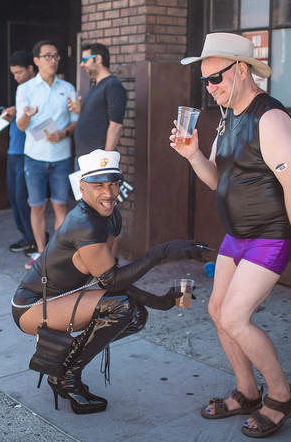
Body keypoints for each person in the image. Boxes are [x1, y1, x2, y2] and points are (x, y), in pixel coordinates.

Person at [171, 32, 291, 438]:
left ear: (241, 70)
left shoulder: (269, 117)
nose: (210, 89)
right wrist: (193, 156)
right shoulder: (228, 117)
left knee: (235, 317)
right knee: (216, 312)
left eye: (215, 79)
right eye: (204, 82)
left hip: (270, 235)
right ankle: (246, 390)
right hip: (235, 236)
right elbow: (217, 181)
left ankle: (281, 394)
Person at [12, 149, 205, 414]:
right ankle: (67, 378)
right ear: (82, 187)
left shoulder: (111, 217)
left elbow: (107, 279)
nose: (109, 193)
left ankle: (62, 370)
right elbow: (113, 284)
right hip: (33, 306)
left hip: (63, 299)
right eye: (99, 185)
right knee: (121, 307)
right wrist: (159, 253)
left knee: (135, 315)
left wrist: (157, 302)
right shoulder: (84, 224)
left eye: (113, 184)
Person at [15, 40, 78, 269]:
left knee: (61, 206)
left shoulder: (68, 88)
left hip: (61, 155)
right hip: (34, 155)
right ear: (36, 60)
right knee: (37, 206)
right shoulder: (25, 89)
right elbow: (21, 126)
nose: (53, 60)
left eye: (56, 56)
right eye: (48, 56)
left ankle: (57, 254)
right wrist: (28, 115)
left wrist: (63, 133)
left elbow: (75, 123)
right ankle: (41, 253)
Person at [68, 43, 127, 159]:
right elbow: (97, 118)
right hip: (85, 156)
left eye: (85, 60)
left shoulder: (113, 85)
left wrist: (106, 160)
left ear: (98, 59)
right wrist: (80, 111)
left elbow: (115, 125)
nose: (82, 64)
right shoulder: (96, 86)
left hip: (98, 159)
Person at [5, 50, 37, 255]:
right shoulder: (21, 89)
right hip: (13, 149)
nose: (16, 77)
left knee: (22, 195)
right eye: (13, 73)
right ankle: (26, 236)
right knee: (14, 196)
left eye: (19, 73)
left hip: (27, 151)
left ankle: (35, 238)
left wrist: (22, 114)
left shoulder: (36, 90)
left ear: (30, 69)